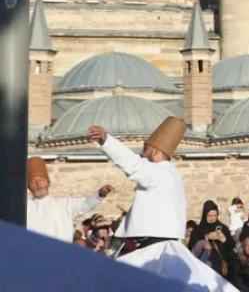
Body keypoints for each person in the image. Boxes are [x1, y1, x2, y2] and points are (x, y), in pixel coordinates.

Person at [89, 118, 235, 291]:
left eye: (146, 150)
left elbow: (133, 165)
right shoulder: (172, 175)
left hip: (150, 250)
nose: (142, 154)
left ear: (157, 152)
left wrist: (106, 140)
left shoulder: (159, 172)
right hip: (161, 247)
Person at [25, 156, 112, 242]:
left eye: (41, 180)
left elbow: (85, 204)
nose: (38, 184)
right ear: (28, 186)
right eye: (33, 181)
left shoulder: (65, 204)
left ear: (48, 182)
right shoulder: (25, 207)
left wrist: (99, 195)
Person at [188, 200, 237, 277]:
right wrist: (206, 237)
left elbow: (232, 246)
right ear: (205, 215)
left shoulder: (223, 228)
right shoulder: (198, 229)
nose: (212, 218)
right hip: (205, 267)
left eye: (215, 215)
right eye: (210, 216)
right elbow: (192, 247)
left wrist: (224, 239)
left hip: (223, 268)